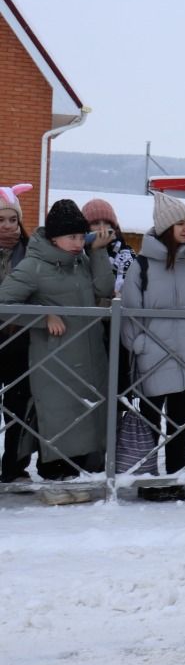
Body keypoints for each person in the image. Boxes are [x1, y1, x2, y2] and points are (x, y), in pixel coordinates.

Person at [0, 199, 114, 502]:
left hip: (88, 355)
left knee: (82, 418)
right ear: (54, 237)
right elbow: (4, 304)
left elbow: (104, 289)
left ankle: (71, 480)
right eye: (71, 238)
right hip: (52, 358)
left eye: (81, 237)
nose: (78, 243)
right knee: (56, 417)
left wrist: (98, 251)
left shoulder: (82, 260)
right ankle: (52, 480)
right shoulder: (34, 264)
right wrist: (42, 315)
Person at [123, 193, 185, 502]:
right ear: (165, 226)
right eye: (180, 223)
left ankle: (176, 478)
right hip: (155, 353)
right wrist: (138, 343)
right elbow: (131, 310)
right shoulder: (141, 265)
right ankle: (148, 479)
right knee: (151, 419)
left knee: (180, 423)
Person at [0, 183, 34, 483]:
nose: (9, 226)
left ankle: (14, 465)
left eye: (13, 219)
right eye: (1, 220)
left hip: (19, 338)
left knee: (17, 406)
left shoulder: (30, 253)